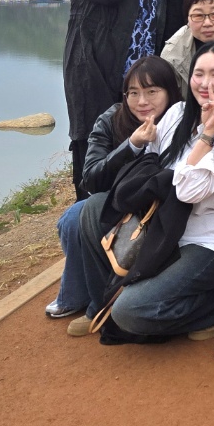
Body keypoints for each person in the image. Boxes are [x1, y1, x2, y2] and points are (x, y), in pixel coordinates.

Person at [70, 41, 214, 340]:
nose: (205, 83)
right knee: (92, 209)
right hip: (159, 228)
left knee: (130, 311)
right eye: (199, 74)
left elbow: (186, 192)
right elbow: (149, 162)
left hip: (204, 240)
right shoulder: (178, 112)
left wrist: (207, 133)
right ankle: (101, 304)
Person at [46, 56, 177, 321]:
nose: (142, 101)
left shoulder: (181, 119)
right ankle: (78, 295)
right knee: (72, 219)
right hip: (115, 200)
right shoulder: (111, 119)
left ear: (169, 91)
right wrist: (132, 145)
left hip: (160, 208)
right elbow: (91, 179)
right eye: (133, 93)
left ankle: (104, 300)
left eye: (152, 92)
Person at [63, 0, 174, 197]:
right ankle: (88, 204)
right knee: (92, 135)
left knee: (139, 135)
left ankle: (129, 203)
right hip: (94, 69)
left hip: (140, 77)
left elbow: (176, 10)